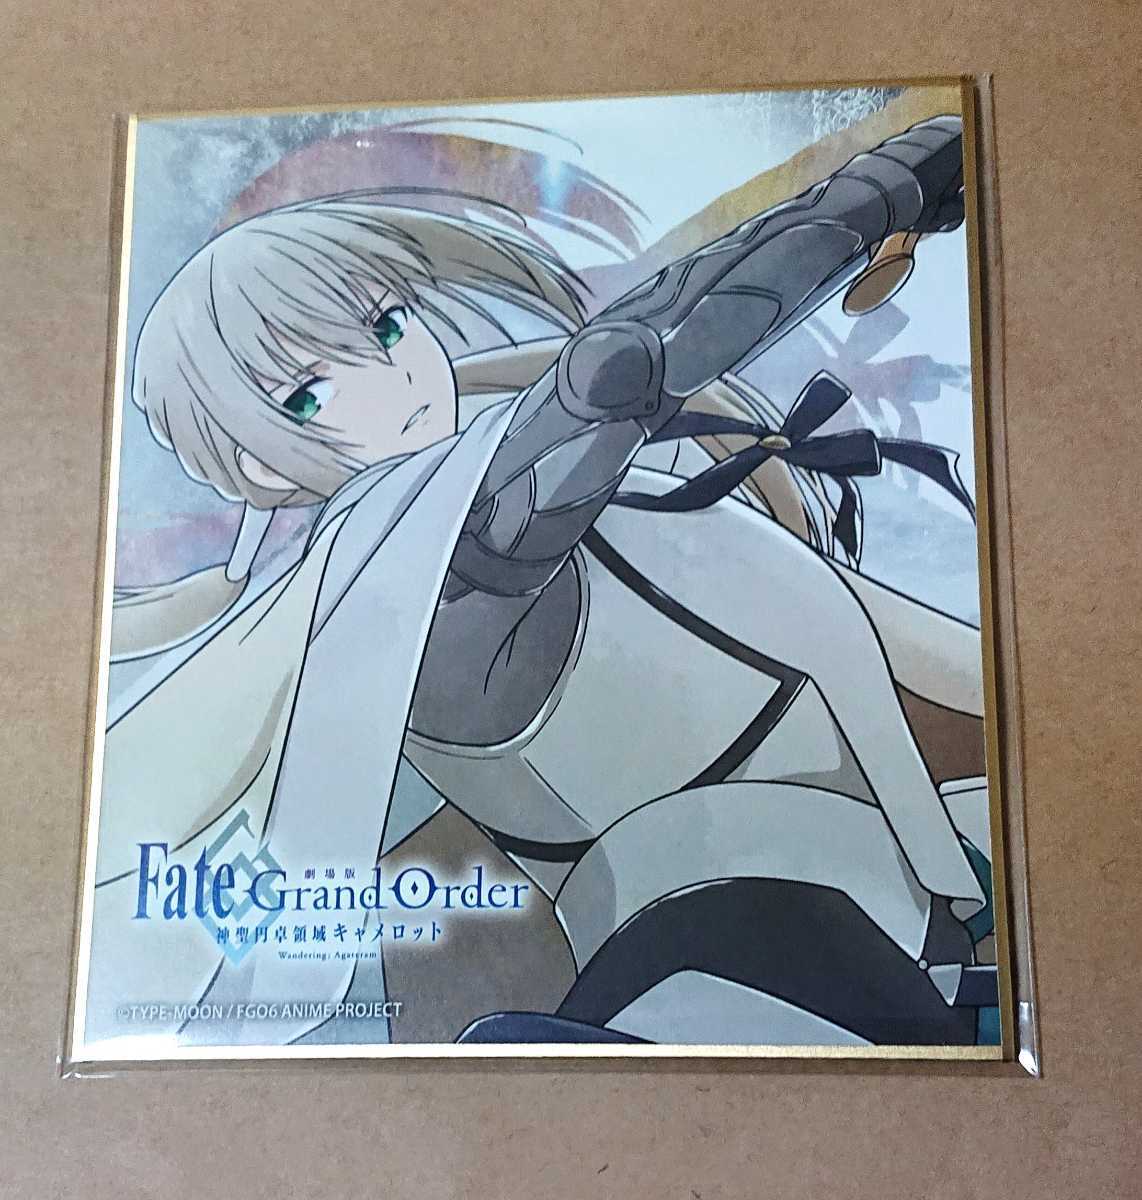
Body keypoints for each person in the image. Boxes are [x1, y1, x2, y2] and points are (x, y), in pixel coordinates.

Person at [88, 114, 996, 1050]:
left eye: (389, 326)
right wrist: (884, 190)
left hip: (883, 904)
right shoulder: (431, 576)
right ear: (259, 463)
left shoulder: (510, 504)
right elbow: (621, 368)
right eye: (309, 396)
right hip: (729, 949)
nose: (396, 379)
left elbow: (880, 642)